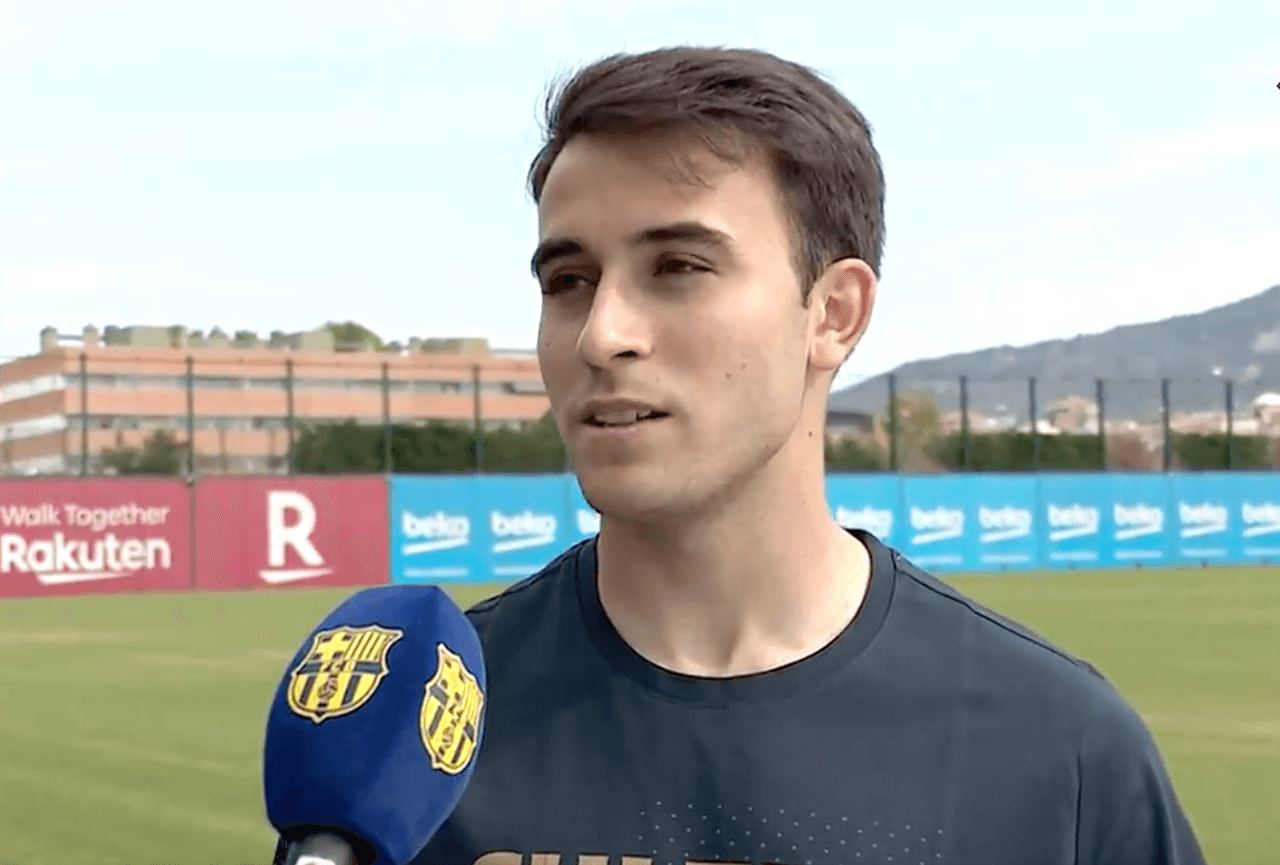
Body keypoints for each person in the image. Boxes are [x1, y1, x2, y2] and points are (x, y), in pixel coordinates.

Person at [280, 46, 1208, 865]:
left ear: (833, 314)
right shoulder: (422, 733)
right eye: (569, 280)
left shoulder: (1058, 749)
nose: (601, 334)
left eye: (679, 267)